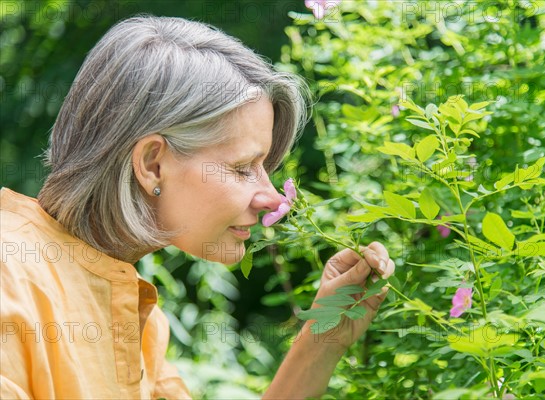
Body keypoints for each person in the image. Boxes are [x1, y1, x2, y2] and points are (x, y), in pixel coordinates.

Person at [0, 16, 395, 399]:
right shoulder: (10, 278)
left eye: (265, 168)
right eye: (242, 168)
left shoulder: (137, 313)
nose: (274, 199)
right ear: (153, 165)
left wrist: (323, 338)